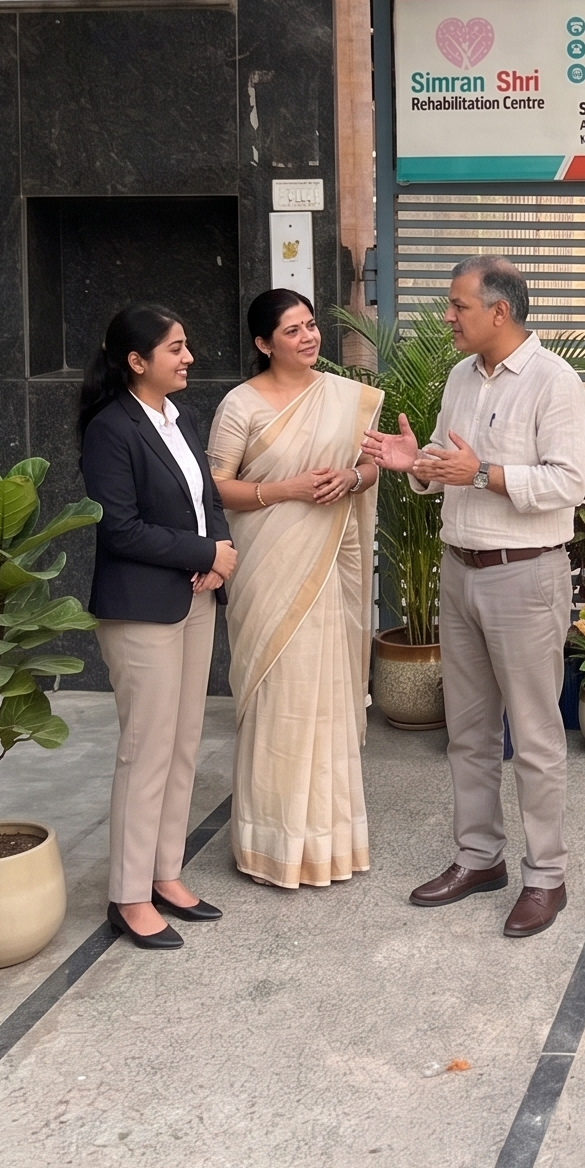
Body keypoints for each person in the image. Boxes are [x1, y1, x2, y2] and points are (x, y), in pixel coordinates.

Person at [363, 257, 585, 938]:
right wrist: (416, 464)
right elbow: (445, 462)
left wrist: (482, 472)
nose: (448, 317)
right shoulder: (461, 376)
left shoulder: (555, 381)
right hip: (459, 569)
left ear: (500, 311)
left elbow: (567, 483)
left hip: (525, 575)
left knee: (536, 736)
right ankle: (478, 858)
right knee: (467, 731)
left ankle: (546, 877)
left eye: (458, 305)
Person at [207, 290, 383, 891]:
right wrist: (289, 489)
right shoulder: (241, 404)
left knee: (325, 694)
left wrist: (351, 477)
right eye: (292, 330)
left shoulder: (344, 397)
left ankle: (330, 844)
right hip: (267, 568)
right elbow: (215, 488)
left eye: (311, 325)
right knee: (279, 696)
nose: (309, 337)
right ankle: (271, 846)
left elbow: (373, 467)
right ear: (264, 344)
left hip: (327, 566)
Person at [80, 303, 238, 951]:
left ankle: (165, 873)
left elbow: (208, 499)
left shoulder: (180, 417)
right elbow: (118, 528)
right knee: (145, 751)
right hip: (140, 608)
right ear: (136, 361)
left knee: (182, 743)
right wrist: (204, 553)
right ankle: (128, 895)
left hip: (194, 597)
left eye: (186, 344)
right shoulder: (110, 429)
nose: (188, 357)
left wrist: (219, 555)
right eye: (175, 348)